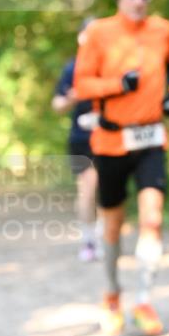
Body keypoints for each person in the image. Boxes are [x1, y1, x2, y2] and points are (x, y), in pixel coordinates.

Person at [74, 0, 169, 336]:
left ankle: (144, 300)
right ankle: (111, 294)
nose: (138, 1)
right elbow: (81, 84)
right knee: (114, 223)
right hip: (111, 141)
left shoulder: (163, 29)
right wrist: (118, 85)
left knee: (152, 219)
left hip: (151, 139)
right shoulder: (99, 33)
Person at [52, 18, 101, 262]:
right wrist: (73, 97)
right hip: (81, 138)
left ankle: (103, 236)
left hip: (111, 134)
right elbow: (57, 104)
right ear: (80, 37)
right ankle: (90, 239)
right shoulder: (72, 69)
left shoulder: (111, 65)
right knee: (88, 187)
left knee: (109, 188)